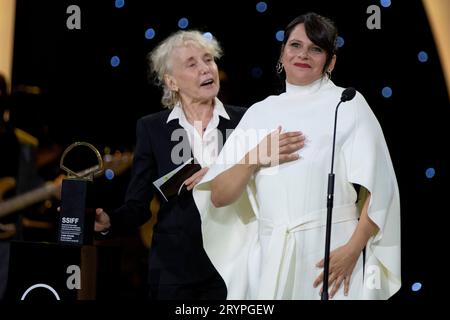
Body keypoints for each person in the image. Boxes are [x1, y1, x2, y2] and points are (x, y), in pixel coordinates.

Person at [193, 12, 401, 300]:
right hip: (271, 257)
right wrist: (255, 157)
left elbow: (381, 189)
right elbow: (219, 196)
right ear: (282, 52)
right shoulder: (259, 113)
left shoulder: (347, 104)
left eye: (316, 49)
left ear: (330, 61)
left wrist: (353, 250)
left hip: (332, 258)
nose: (304, 54)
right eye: (295, 45)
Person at [94, 30, 247, 300]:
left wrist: (222, 173)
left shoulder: (244, 121)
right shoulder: (152, 128)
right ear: (172, 82)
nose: (205, 68)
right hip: (176, 270)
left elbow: (262, 180)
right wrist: (109, 222)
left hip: (234, 262)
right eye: (192, 63)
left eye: (208, 59)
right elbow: (138, 206)